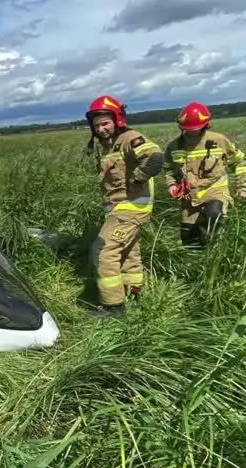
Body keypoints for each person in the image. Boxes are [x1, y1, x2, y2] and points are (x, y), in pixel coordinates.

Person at [84, 95, 164, 318]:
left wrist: (138, 177)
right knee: (128, 252)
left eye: (105, 123)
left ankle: (113, 306)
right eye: (97, 125)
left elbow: (156, 156)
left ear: (117, 119)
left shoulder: (130, 138)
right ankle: (133, 293)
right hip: (120, 209)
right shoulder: (107, 146)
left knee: (103, 250)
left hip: (131, 208)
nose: (101, 129)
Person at [163, 102, 246, 248]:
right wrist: (172, 185)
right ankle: (199, 264)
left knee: (214, 213)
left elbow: (239, 162)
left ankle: (218, 252)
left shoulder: (219, 140)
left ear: (206, 124)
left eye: (195, 129)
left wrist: (243, 188)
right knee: (189, 241)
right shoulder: (174, 146)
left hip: (216, 191)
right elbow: (168, 170)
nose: (191, 133)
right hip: (189, 198)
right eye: (187, 130)